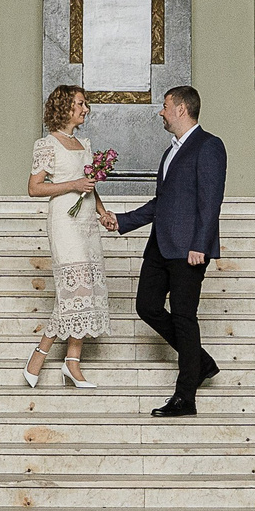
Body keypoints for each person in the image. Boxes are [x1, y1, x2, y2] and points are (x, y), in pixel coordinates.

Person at [101, 86, 224, 417]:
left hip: (188, 250)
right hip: (159, 245)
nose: (161, 112)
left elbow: (211, 202)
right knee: (146, 306)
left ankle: (185, 397)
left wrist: (201, 244)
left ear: (181, 109)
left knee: (184, 317)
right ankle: (200, 361)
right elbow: (162, 203)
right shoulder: (170, 151)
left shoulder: (209, 146)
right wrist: (122, 220)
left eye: (166, 106)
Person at [24, 84, 109, 387]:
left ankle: (72, 362)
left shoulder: (83, 143)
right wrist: (72, 184)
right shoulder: (47, 144)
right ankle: (42, 352)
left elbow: (89, 185)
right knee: (75, 291)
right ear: (65, 107)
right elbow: (34, 187)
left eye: (85, 104)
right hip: (64, 221)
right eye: (80, 104)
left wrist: (102, 212)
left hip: (86, 222)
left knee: (86, 290)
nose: (85, 109)